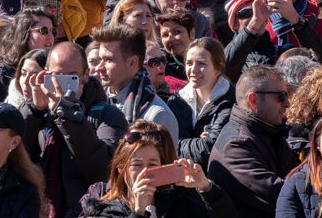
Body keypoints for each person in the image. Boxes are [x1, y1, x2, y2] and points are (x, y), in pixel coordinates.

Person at [19, 41, 128, 217]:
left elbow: (105, 170)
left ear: (86, 75)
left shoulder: (107, 115)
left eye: (71, 77)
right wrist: (34, 110)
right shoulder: (39, 113)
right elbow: (14, 153)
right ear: (45, 74)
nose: (60, 84)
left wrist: (69, 116)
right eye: (56, 76)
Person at [76, 119, 234, 217]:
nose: (144, 171)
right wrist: (138, 211)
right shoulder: (104, 208)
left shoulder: (180, 203)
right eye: (136, 164)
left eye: (152, 164)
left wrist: (206, 187)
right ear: (121, 168)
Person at [208, 65, 298, 217]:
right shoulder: (235, 146)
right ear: (253, 100)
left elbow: (298, 174)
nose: (287, 103)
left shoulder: (270, 132)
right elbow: (282, 195)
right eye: (281, 96)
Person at [91, 24, 180, 144]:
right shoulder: (95, 102)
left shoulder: (158, 116)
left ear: (132, 62)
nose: (99, 67)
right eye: (100, 59)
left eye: (108, 60)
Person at [167, 37, 234, 166]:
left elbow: (210, 150)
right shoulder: (176, 100)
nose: (193, 69)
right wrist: (200, 141)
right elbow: (167, 147)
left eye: (201, 64)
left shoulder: (230, 102)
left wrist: (182, 144)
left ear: (218, 68)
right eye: (189, 63)